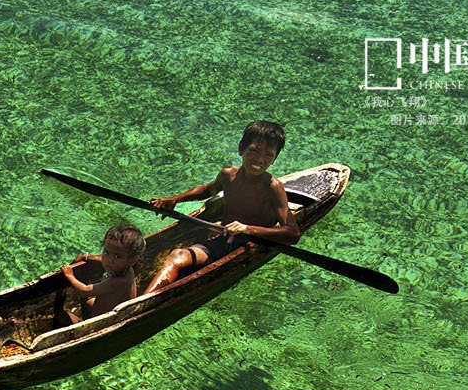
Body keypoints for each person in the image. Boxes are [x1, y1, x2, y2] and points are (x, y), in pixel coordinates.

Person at [144, 120, 301, 294]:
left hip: (248, 243)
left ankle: (138, 305)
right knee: (176, 255)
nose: (259, 160)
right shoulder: (228, 175)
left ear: (274, 159)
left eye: (268, 155)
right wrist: (174, 200)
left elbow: (292, 233)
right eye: (254, 151)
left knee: (178, 256)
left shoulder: (273, 187)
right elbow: (206, 190)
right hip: (222, 237)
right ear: (241, 148)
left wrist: (248, 229)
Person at [60, 222, 146, 322]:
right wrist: (87, 256)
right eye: (106, 252)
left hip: (100, 323)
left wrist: (70, 275)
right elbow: (105, 259)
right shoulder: (127, 268)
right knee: (88, 301)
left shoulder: (119, 281)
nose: (109, 260)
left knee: (62, 317)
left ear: (131, 261)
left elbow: (84, 291)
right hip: (103, 312)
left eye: (117, 256)